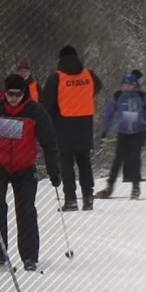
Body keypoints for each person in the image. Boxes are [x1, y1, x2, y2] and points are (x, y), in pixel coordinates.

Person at [0, 74, 61, 271]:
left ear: (24, 93)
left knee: (26, 209)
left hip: (24, 167)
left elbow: (49, 141)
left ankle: (29, 256)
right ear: (4, 92)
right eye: (10, 94)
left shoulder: (35, 111)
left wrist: (53, 169)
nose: (14, 98)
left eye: (18, 94)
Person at [40, 45, 102, 211]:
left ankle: (71, 199)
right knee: (84, 162)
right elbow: (98, 87)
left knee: (66, 163)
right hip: (85, 125)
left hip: (63, 125)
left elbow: (47, 102)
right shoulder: (89, 75)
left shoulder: (56, 78)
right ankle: (88, 197)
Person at [96, 72, 146, 200]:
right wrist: (105, 132)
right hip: (123, 131)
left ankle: (136, 186)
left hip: (139, 131)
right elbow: (109, 115)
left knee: (134, 157)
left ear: (134, 85)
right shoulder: (118, 96)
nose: (126, 87)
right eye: (124, 85)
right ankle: (109, 186)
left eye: (129, 85)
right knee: (118, 159)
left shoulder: (141, 96)